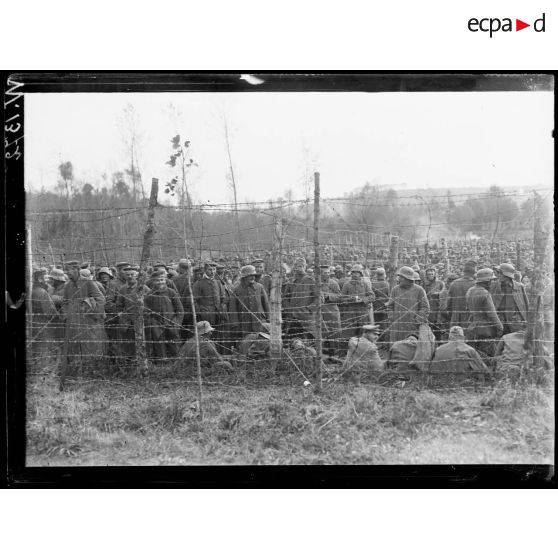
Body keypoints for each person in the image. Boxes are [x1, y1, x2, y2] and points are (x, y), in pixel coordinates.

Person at [60, 260, 106, 374]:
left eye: (68, 270)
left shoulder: (88, 283)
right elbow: (64, 303)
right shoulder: (67, 286)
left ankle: (93, 371)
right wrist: (65, 316)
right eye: (65, 270)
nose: (66, 273)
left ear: (76, 269)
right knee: (76, 347)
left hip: (89, 322)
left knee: (92, 346)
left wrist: (92, 312)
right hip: (74, 322)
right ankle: (78, 371)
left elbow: (101, 299)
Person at [114, 266, 151, 366]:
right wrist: (121, 314)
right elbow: (119, 304)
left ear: (137, 276)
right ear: (124, 276)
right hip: (127, 322)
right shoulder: (122, 289)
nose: (130, 277)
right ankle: (130, 362)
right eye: (127, 275)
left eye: (132, 275)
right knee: (129, 343)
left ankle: (143, 362)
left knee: (143, 342)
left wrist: (144, 314)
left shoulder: (144, 288)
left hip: (141, 320)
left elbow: (150, 304)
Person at [144, 270, 184, 362]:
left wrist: (175, 323)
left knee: (174, 347)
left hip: (172, 324)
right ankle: (162, 367)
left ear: (166, 280)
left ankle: (176, 365)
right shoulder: (149, 295)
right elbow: (145, 312)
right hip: (157, 327)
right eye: (157, 280)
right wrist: (153, 324)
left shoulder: (171, 292)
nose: (160, 282)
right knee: (159, 349)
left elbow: (180, 310)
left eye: (162, 280)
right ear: (153, 281)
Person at [465, 267, 503, 359]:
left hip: (473, 328)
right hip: (485, 330)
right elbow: (492, 314)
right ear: (487, 281)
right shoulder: (485, 293)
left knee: (475, 356)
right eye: (491, 281)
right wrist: (500, 327)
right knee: (489, 356)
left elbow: (467, 309)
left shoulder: (470, 291)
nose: (492, 283)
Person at [386, 266, 430, 344]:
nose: (399, 279)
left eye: (401, 277)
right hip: (397, 327)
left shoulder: (419, 290)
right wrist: (393, 317)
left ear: (408, 279)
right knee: (396, 348)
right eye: (399, 277)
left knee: (410, 349)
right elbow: (390, 306)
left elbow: (425, 308)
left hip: (412, 328)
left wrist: (416, 320)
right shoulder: (395, 290)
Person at [229, 265, 270, 342]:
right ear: (244, 277)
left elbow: (266, 304)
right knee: (247, 341)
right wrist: (235, 324)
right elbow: (233, 308)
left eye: (254, 275)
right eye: (250, 276)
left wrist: (269, 319)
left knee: (261, 340)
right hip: (244, 322)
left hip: (260, 320)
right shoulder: (237, 289)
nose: (252, 277)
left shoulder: (259, 287)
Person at [283, 257, 318, 339]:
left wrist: (309, 309)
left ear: (305, 267)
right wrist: (289, 308)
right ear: (294, 267)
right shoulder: (291, 282)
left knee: (309, 340)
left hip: (306, 318)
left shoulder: (310, 281)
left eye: (301, 266)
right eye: (297, 266)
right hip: (292, 318)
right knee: (291, 341)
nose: (299, 268)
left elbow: (319, 298)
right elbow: (285, 298)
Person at [490, 262, 529, 335]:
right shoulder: (494, 286)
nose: (499, 275)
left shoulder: (519, 287)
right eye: (498, 272)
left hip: (515, 322)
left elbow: (526, 305)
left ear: (507, 275)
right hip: (500, 321)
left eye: (500, 273)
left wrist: (527, 321)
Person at [30, 268, 58, 364]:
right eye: (46, 277)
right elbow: (50, 311)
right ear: (39, 278)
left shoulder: (33, 289)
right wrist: (57, 318)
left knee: (38, 346)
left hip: (35, 320)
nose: (49, 280)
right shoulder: (41, 292)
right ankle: (43, 367)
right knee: (44, 346)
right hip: (43, 322)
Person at [340, 264, 375, 340]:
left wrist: (363, 299)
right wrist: (350, 299)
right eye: (354, 273)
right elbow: (341, 299)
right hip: (350, 312)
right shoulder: (346, 285)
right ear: (351, 274)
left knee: (362, 333)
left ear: (360, 274)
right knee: (349, 334)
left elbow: (372, 297)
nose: (355, 275)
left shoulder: (365, 284)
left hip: (362, 311)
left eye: (357, 273)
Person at [319, 264, 342, 357]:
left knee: (334, 331)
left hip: (332, 310)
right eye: (324, 273)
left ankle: (333, 353)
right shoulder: (315, 283)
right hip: (320, 311)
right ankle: (321, 353)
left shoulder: (334, 283)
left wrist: (329, 297)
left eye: (328, 273)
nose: (326, 275)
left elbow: (339, 297)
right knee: (321, 331)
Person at [447, 260, 476, 329]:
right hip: (470, 320)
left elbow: (448, 305)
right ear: (473, 272)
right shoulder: (475, 285)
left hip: (455, 319)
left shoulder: (453, 283)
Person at [423, 266, 444, 340]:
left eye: (432, 274)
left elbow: (444, 294)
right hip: (429, 308)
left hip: (438, 308)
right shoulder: (425, 285)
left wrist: (438, 294)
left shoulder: (440, 283)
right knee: (429, 327)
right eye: (429, 274)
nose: (431, 275)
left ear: (435, 274)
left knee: (438, 327)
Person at [371, 267, 390, 339]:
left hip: (375, 305)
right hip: (384, 305)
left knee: (376, 321)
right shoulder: (387, 284)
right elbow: (389, 296)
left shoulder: (373, 284)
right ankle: (383, 336)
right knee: (384, 322)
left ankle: (377, 336)